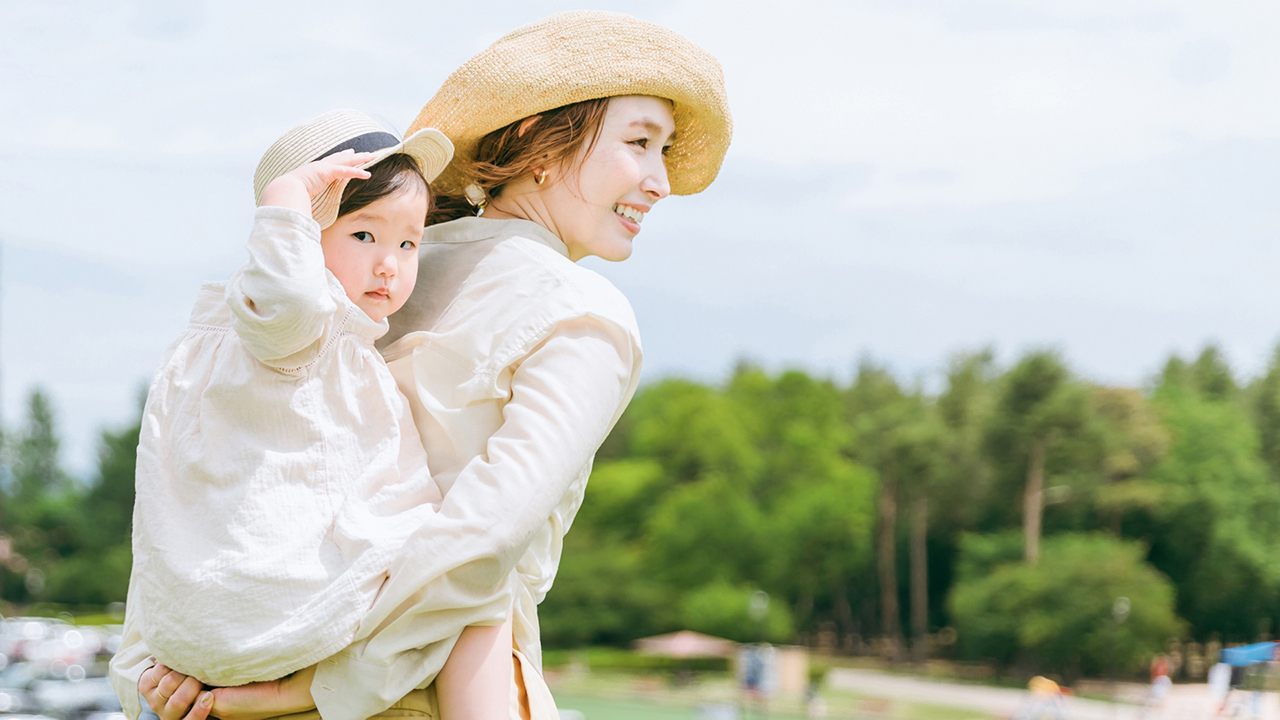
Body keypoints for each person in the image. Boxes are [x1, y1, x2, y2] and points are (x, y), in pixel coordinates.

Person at [130, 11, 731, 720]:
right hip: (416, 689)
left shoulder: (353, 266)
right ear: (541, 141)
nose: (661, 182)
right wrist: (327, 687)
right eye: (640, 143)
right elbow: (484, 538)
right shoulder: (580, 312)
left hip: (216, 677)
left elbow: (202, 463)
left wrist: (150, 658)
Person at [110, 110, 514, 720]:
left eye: (408, 242)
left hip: (233, 609)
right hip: (292, 607)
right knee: (475, 578)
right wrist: (287, 199)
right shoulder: (289, 326)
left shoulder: (258, 342)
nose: (390, 264)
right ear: (297, 238)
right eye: (362, 235)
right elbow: (290, 295)